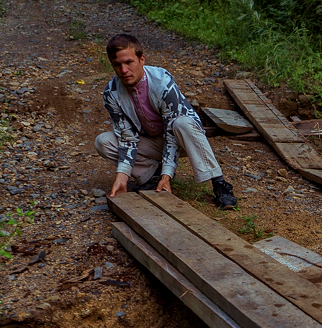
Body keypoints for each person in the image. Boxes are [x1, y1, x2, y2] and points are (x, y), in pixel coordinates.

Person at [94, 33, 237, 208]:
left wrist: (167, 176)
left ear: (142, 59)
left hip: (183, 138)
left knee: (181, 123)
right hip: (151, 140)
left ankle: (219, 183)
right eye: (118, 64)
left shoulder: (162, 83)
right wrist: (122, 177)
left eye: (129, 62)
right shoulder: (111, 93)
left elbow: (171, 132)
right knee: (103, 142)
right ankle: (152, 176)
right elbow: (127, 137)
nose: (124, 70)